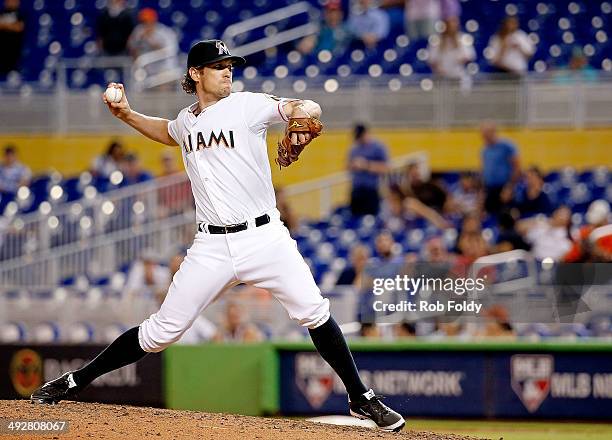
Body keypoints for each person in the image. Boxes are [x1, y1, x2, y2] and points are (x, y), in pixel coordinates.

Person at [30, 39, 405, 432]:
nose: (228, 70)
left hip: (265, 237)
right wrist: (125, 114)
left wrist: (300, 117)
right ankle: (73, 381)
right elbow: (166, 132)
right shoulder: (187, 120)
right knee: (160, 332)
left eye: (230, 65)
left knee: (314, 311)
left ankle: (361, 398)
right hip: (211, 245)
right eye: (219, 65)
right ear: (196, 74)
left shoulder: (245, 105)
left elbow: (303, 107)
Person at [127, 8, 179, 84]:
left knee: (162, 90)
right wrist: (140, 41)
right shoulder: (138, 31)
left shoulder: (164, 32)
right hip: (146, 72)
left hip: (164, 70)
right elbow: (131, 48)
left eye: (148, 21)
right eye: (143, 21)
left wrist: (149, 40)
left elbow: (170, 52)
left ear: (154, 20)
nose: (146, 24)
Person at [348, 123, 389, 216]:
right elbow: (347, 167)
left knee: (372, 219)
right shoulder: (354, 149)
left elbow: (385, 168)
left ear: (366, 133)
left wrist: (366, 165)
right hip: (356, 190)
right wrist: (353, 166)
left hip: (371, 190)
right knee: (354, 219)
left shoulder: (378, 147)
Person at [480, 120, 520, 214]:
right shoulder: (485, 149)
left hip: (504, 188)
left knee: (504, 214)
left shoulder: (507, 146)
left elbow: (517, 168)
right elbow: (484, 169)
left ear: (493, 132)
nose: (483, 136)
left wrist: (509, 187)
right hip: (490, 189)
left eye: (485, 133)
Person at [427, 16, 475, 84]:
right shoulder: (436, 40)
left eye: (453, 23)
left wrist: (459, 60)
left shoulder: (463, 38)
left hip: (459, 75)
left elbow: (470, 56)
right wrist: (439, 69)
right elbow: (431, 59)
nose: (451, 27)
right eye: (448, 24)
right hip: (442, 77)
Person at [0, 0, 25, 75]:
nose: (11, 2)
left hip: (14, 50)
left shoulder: (20, 14)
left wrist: (4, 25)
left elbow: (19, 27)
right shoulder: (1, 13)